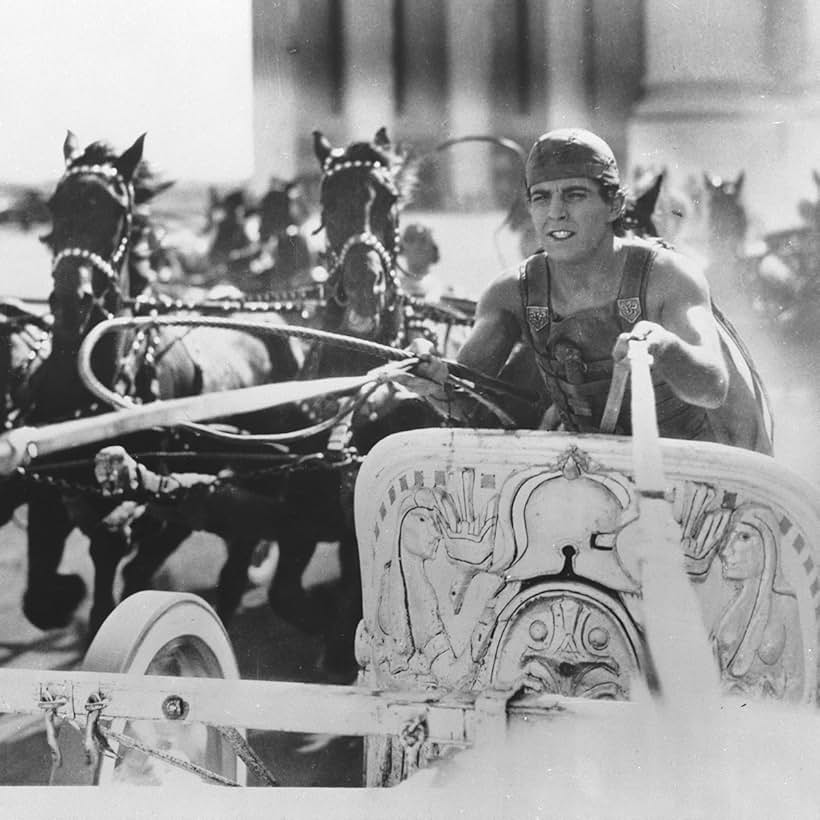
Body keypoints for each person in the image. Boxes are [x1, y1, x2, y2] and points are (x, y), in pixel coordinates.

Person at [430, 127, 771, 453]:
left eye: (575, 195)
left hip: (692, 476)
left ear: (615, 205)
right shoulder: (511, 293)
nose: (556, 213)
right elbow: (464, 400)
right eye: (541, 197)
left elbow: (713, 387)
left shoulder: (666, 277)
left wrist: (661, 345)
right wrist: (431, 379)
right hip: (587, 476)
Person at [398, 223, 444, 302]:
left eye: (423, 240)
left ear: (433, 251)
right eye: (411, 239)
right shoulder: (394, 286)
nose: (416, 245)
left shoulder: (442, 290)